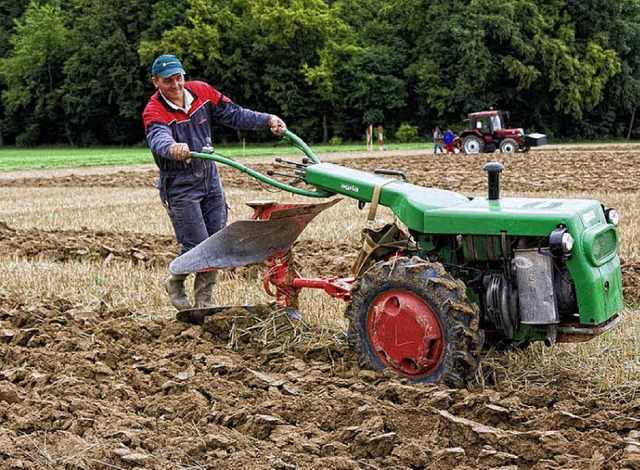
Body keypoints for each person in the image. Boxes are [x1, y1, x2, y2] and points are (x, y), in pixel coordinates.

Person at [142, 54, 287, 311]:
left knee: (216, 241)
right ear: (156, 82)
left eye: (178, 78)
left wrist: (267, 120)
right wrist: (172, 147)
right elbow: (158, 137)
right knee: (196, 243)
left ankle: (203, 302)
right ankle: (175, 281)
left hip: (209, 176)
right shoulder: (154, 111)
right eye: (168, 81)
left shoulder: (201, 92)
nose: (175, 85)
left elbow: (235, 115)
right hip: (180, 183)